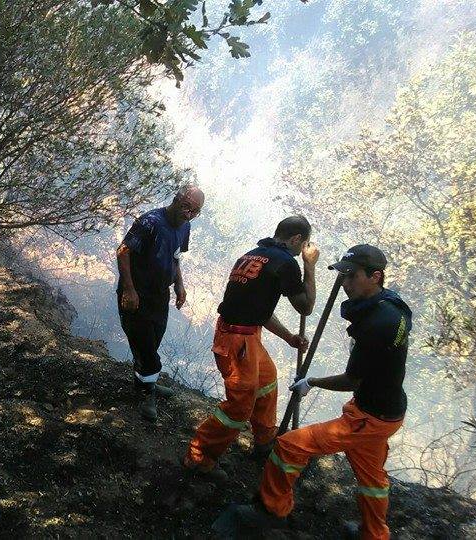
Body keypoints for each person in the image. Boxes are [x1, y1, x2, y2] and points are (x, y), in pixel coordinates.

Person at [212, 244, 412, 540]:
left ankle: (270, 510)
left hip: (369, 417)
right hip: (384, 410)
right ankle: (375, 533)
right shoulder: (392, 307)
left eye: (352, 277)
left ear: (375, 276)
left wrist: (312, 382)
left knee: (290, 446)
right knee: (372, 478)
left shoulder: (376, 325)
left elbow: (352, 379)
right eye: (343, 277)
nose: (345, 284)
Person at [183, 216, 318, 478]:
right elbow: (306, 307)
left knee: (267, 382)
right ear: (297, 240)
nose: (301, 250)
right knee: (239, 407)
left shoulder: (253, 255)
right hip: (236, 341)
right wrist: (309, 266)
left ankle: (265, 441)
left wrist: (289, 337)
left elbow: (260, 310)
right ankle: (199, 456)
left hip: (245, 334)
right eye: (303, 245)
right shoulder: (287, 263)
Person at [116, 185, 205, 421]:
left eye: (195, 211)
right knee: (144, 343)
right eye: (186, 206)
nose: (188, 213)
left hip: (159, 295)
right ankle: (148, 392)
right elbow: (123, 251)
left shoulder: (185, 226)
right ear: (176, 199)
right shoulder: (150, 222)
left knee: (153, 339)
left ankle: (144, 382)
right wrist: (129, 289)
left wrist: (179, 284)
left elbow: (176, 256)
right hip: (137, 292)